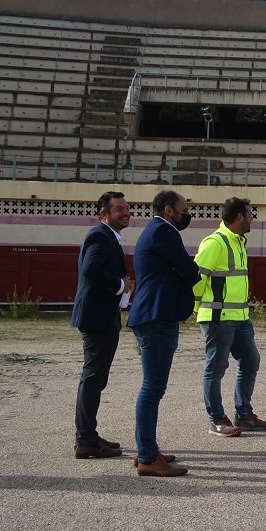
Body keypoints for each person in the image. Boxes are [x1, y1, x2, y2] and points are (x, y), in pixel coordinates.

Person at [128, 190, 201, 477]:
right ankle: (147, 456)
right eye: (184, 210)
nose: (188, 215)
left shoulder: (155, 231)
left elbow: (182, 269)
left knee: (152, 387)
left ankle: (147, 449)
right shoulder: (165, 232)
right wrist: (181, 269)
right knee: (153, 387)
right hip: (157, 317)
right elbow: (191, 271)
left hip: (154, 315)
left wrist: (179, 269)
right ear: (170, 210)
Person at [194, 197, 266, 437]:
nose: (252, 219)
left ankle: (244, 415)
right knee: (216, 368)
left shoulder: (239, 242)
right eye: (250, 214)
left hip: (240, 317)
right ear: (239, 216)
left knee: (251, 361)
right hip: (218, 317)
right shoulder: (215, 243)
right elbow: (195, 279)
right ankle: (216, 419)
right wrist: (197, 308)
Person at [71, 191, 135, 459]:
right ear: (104, 214)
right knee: (93, 378)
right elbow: (91, 269)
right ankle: (85, 439)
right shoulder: (100, 236)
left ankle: (89, 435)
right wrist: (121, 285)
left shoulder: (108, 237)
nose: (125, 212)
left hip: (100, 315)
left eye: (127, 208)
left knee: (95, 378)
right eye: (119, 209)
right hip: (97, 318)